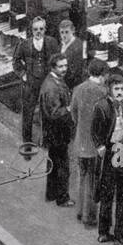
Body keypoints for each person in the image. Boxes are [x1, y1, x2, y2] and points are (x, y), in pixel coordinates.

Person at [92, 73, 123, 245]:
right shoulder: (101, 106)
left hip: (121, 150)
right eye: (116, 89)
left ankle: (120, 233)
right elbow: (95, 129)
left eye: (122, 89)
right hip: (110, 150)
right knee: (107, 193)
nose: (120, 92)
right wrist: (100, 146)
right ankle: (103, 231)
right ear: (109, 89)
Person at [71, 59, 108, 228]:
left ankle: (80, 211)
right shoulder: (103, 92)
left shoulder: (78, 89)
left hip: (80, 141)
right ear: (102, 75)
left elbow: (74, 114)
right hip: (95, 144)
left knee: (82, 177)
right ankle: (89, 216)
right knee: (93, 181)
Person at [13, 16, 58, 146]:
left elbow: (58, 60)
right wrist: (22, 74)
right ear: (31, 30)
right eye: (35, 29)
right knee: (28, 112)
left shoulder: (52, 43)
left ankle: (46, 140)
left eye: (41, 29)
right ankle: (27, 141)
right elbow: (15, 61)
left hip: (46, 83)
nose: (38, 32)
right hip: (30, 83)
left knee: (47, 112)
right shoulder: (24, 44)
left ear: (45, 29)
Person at [39, 56, 74, 207]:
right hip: (57, 132)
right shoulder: (51, 86)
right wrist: (69, 109)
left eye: (65, 65)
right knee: (62, 165)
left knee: (53, 162)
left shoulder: (53, 81)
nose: (64, 69)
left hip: (53, 132)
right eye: (60, 66)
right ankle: (62, 198)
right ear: (53, 67)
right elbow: (54, 113)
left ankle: (52, 193)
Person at [57, 19, 85, 89]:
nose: (64, 35)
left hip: (73, 84)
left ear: (73, 31)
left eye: (67, 32)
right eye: (62, 32)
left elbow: (76, 71)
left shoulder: (78, 46)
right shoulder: (61, 45)